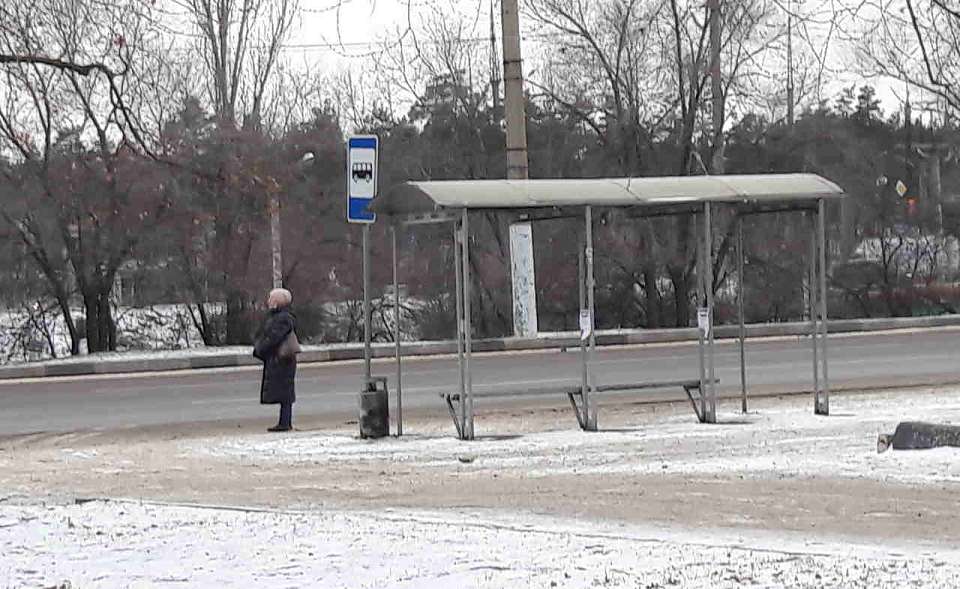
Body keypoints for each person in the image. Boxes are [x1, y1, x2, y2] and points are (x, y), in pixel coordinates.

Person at [253, 288, 298, 432]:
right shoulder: (281, 316)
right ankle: (284, 421)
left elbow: (273, 337)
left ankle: (285, 423)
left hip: (281, 359)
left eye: (271, 298)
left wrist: (260, 349)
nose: (268, 301)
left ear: (278, 301)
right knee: (284, 390)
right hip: (280, 359)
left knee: (285, 391)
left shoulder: (282, 318)